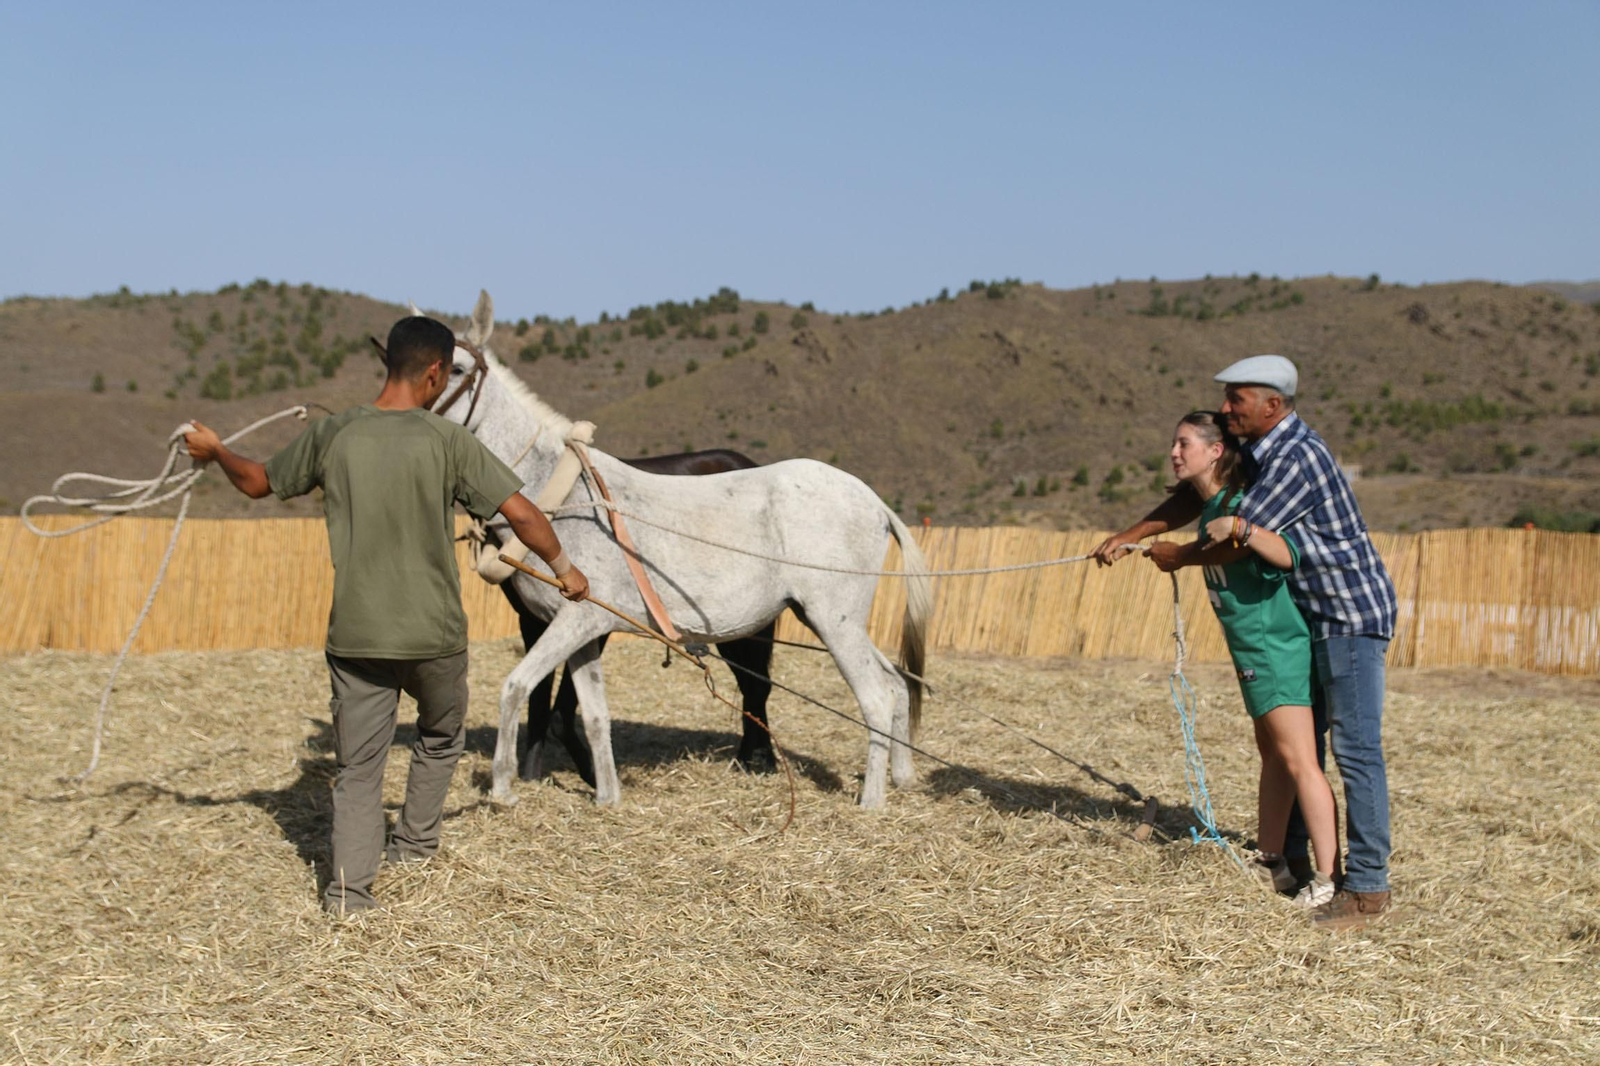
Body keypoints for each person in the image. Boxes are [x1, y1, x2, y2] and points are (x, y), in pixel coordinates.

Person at [182, 315, 589, 916]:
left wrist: (215, 450)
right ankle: (416, 846)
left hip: (358, 635)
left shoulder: (333, 435)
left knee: (357, 768)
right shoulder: (448, 442)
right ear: (433, 372)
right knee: (441, 736)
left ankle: (349, 896)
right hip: (435, 638)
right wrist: (566, 571)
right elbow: (524, 515)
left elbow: (256, 483)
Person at [1093, 355, 1396, 931]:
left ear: (1272, 406)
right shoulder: (1261, 450)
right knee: (1303, 750)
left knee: (1353, 753)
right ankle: (1298, 867)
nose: (1226, 408)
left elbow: (1234, 536)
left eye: (1236, 400)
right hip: (1309, 617)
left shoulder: (1294, 458)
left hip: (1347, 614)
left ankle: (1366, 889)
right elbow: (1201, 501)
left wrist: (1177, 557)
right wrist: (1133, 534)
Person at [1166, 411, 1338, 909]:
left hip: (1274, 647)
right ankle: (1272, 860)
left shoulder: (1239, 505)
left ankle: (1326, 881)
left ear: (1215, 450)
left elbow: (1264, 550)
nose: (1175, 453)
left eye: (1184, 444)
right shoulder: (1213, 506)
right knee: (1275, 757)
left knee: (1301, 761)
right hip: (1253, 650)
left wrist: (1180, 554)